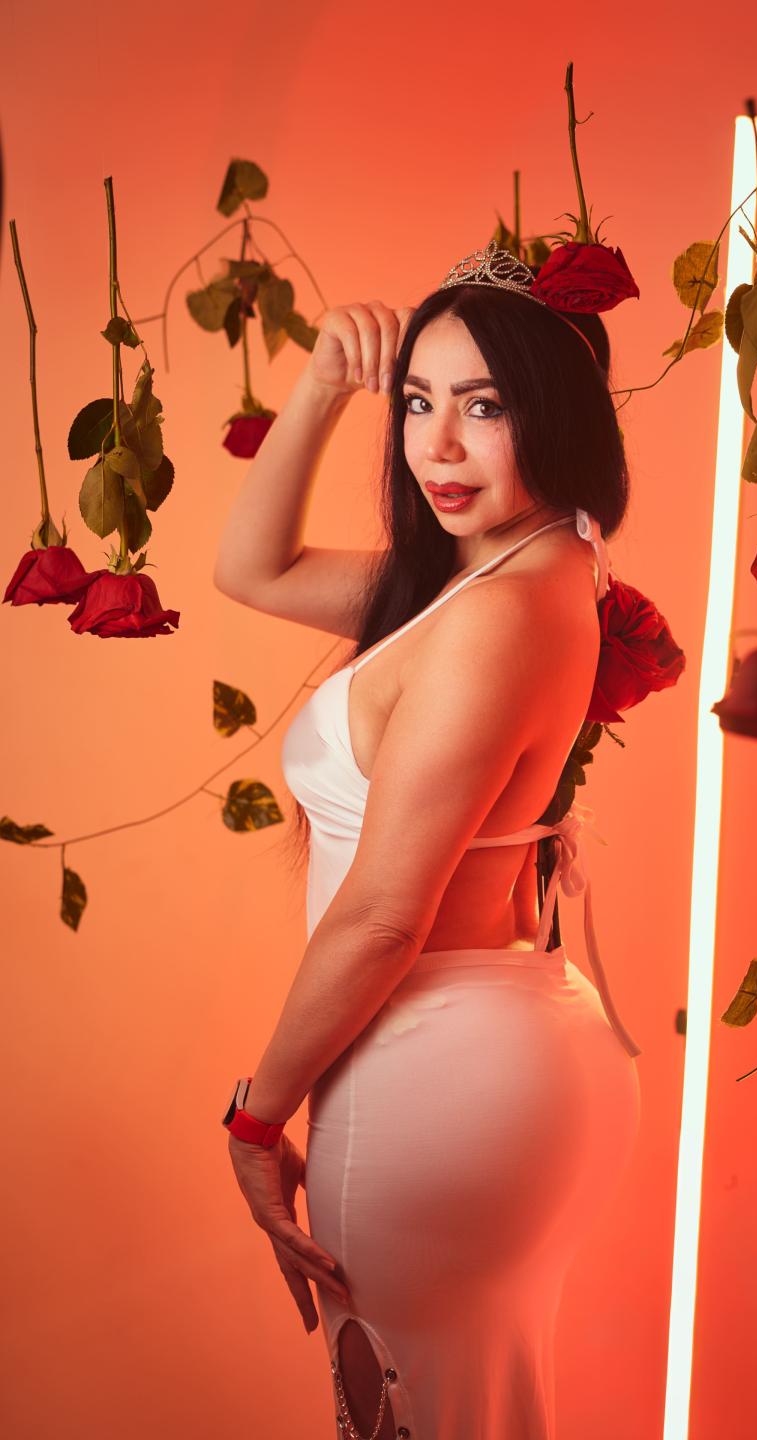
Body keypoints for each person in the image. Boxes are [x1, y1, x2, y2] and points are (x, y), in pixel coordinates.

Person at [214, 244, 643, 1439]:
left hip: (430, 1065)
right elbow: (253, 568)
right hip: (487, 1046)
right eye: (417, 402)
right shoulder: (508, 574)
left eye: (484, 407)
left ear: (556, 414)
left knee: (409, 1412)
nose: (438, 446)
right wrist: (321, 385)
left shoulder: (497, 613)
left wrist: (255, 1121)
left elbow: (383, 917)